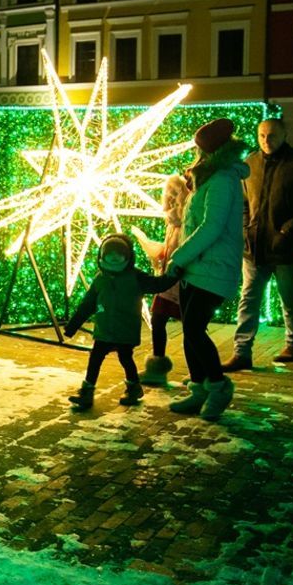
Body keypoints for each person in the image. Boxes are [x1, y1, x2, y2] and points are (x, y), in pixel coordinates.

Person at [224, 117, 293, 370]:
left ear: (284, 135)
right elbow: (243, 202)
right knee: (249, 298)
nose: (266, 141)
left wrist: (291, 227)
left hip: (285, 246)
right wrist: (245, 227)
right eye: (262, 136)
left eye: (271, 135)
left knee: (289, 298)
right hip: (255, 245)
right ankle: (242, 351)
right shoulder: (250, 163)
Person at [165, 118, 249, 419]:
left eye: (200, 149)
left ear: (212, 152)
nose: (196, 155)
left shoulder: (223, 180)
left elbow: (210, 227)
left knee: (195, 329)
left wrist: (179, 258)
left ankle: (218, 386)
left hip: (213, 266)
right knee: (190, 331)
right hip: (196, 266)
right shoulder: (209, 178)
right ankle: (198, 389)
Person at [63, 234, 178, 410]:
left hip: (126, 331)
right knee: (95, 359)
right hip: (104, 330)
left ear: (127, 256)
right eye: (110, 254)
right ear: (102, 256)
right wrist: (73, 326)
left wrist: (173, 275)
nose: (114, 258)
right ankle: (87, 392)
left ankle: (133, 388)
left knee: (126, 358)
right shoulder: (100, 279)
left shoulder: (136, 277)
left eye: (119, 254)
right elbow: (87, 305)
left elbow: (157, 285)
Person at [140, 174, 190, 387]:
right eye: (167, 193)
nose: (170, 198)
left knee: (191, 327)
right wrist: (159, 251)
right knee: (158, 319)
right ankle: (157, 368)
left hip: (183, 280)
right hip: (168, 279)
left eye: (174, 194)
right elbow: (171, 248)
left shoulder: (187, 219)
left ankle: (201, 371)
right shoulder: (171, 222)